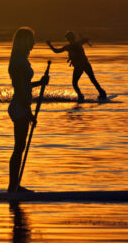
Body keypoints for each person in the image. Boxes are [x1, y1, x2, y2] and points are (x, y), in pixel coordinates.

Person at [8, 27, 49, 192]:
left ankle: (15, 185)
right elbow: (19, 89)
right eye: (31, 39)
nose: (34, 43)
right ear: (24, 41)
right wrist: (28, 112)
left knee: (20, 147)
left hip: (21, 106)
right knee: (19, 148)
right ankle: (13, 187)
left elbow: (25, 85)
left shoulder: (21, 60)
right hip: (20, 107)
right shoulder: (18, 62)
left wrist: (40, 83)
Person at [46, 31, 106, 103]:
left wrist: (50, 45)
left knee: (75, 83)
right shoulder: (79, 42)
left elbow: (56, 51)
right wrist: (82, 36)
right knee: (93, 79)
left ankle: (80, 95)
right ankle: (101, 93)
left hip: (79, 67)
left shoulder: (68, 47)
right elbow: (87, 39)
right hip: (86, 64)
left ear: (67, 39)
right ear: (74, 38)